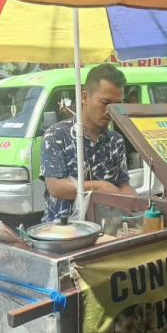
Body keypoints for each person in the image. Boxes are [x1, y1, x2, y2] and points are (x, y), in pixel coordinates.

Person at [40, 64, 137, 223]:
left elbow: (123, 183)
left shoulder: (115, 140)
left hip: (105, 228)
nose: (110, 110)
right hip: (62, 231)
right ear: (84, 97)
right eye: (105, 102)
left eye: (116, 104)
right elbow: (57, 188)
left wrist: (137, 204)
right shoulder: (57, 135)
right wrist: (100, 187)